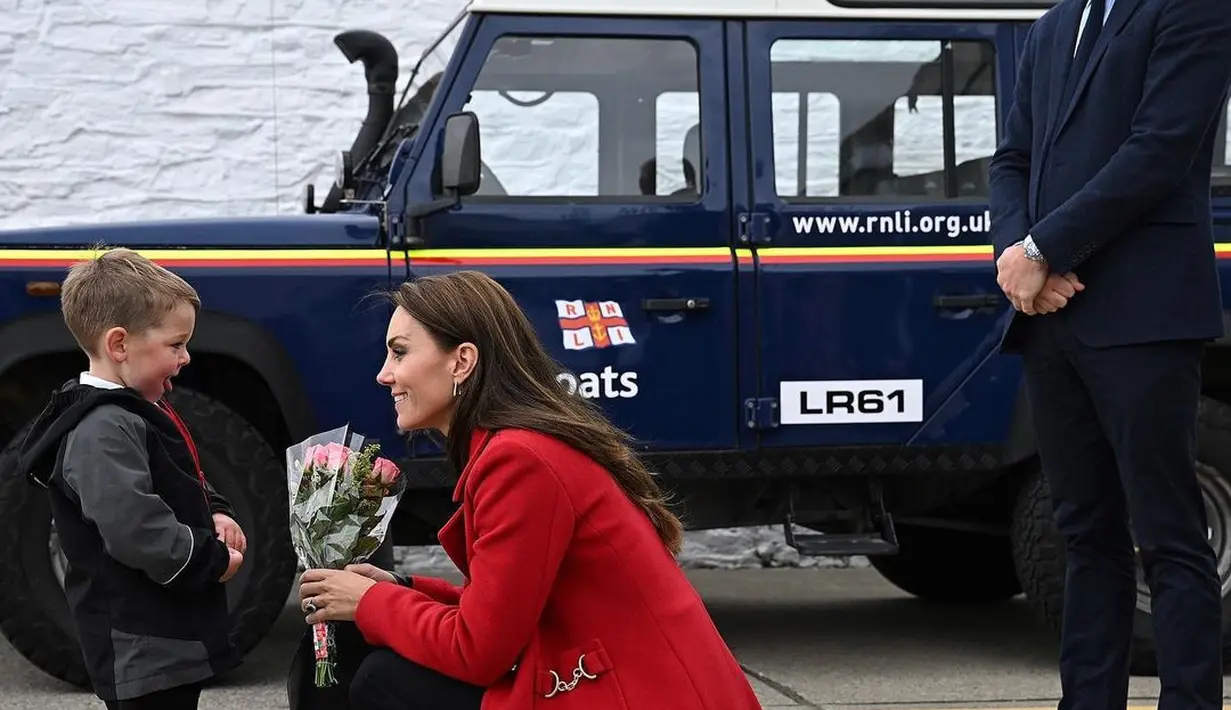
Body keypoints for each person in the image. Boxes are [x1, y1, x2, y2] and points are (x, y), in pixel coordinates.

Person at [294, 270, 762, 710]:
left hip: (635, 694)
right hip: (609, 679)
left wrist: (374, 602)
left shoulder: (519, 460)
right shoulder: (516, 446)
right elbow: (507, 610)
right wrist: (401, 588)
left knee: (382, 676)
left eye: (399, 353)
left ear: (462, 361)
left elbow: (480, 650)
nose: (384, 374)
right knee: (351, 641)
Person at [988, 0, 1231, 707]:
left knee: (1167, 532)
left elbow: (1159, 149)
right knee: (1082, 534)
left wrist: (1044, 250)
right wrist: (1017, 257)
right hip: (1050, 317)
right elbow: (1012, 158)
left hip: (1144, 316)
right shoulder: (1052, 25)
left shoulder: (1194, 10)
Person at [15, 247, 246, 710]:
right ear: (119, 344)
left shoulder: (138, 409)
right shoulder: (101, 429)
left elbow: (182, 474)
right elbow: (134, 527)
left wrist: (215, 509)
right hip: (140, 645)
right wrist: (208, 559)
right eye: (175, 345)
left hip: (167, 635)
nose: (185, 358)